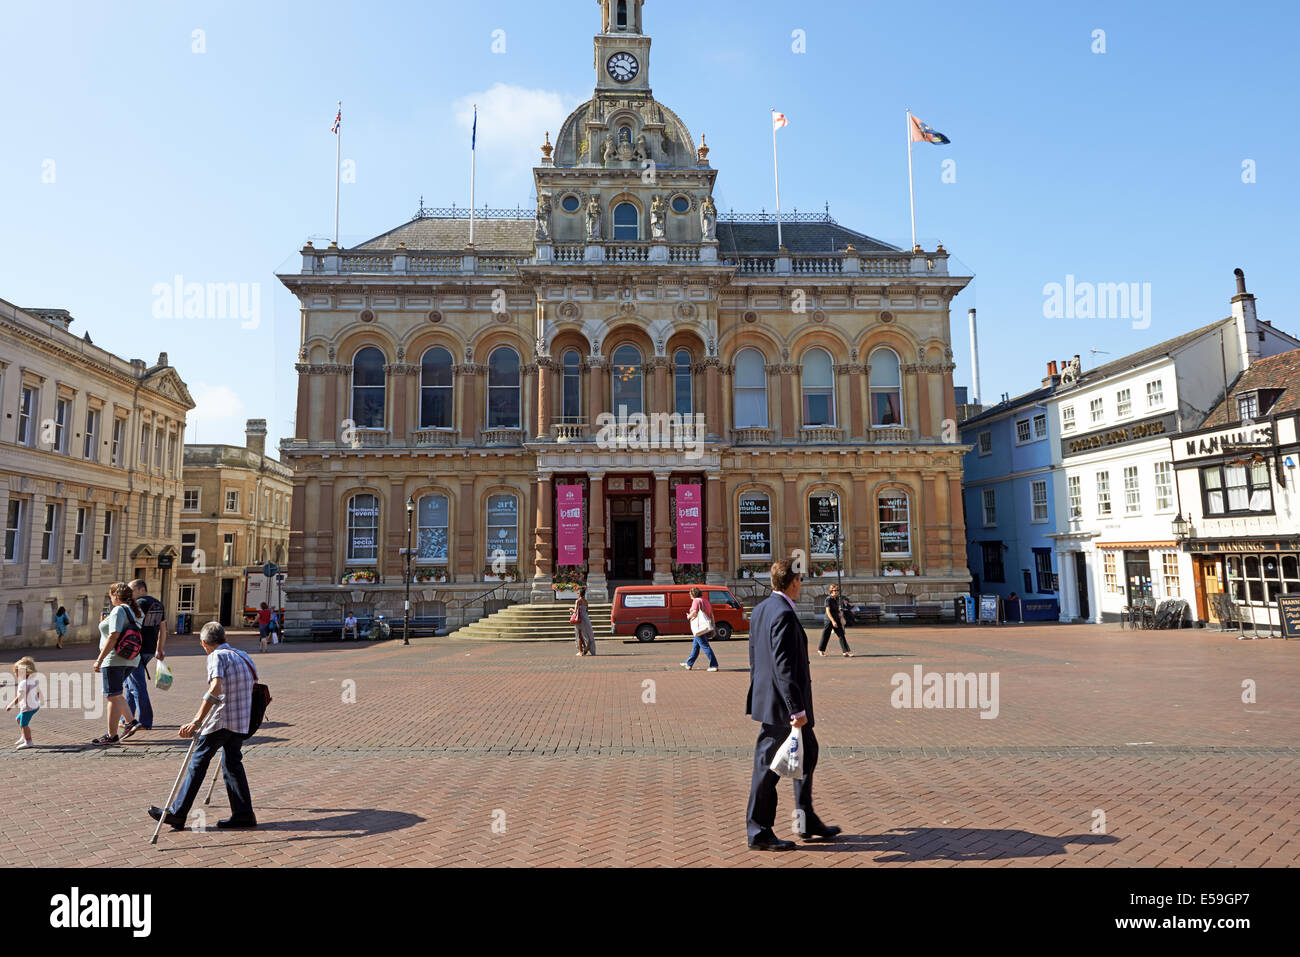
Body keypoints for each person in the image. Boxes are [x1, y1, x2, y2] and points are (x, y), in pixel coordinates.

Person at [745, 560, 841, 851]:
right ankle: (759, 832)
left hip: (770, 697)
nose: (801, 583)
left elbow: (755, 656)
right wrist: (796, 711)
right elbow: (783, 666)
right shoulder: (784, 613)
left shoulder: (762, 609)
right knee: (766, 769)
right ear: (794, 582)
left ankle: (805, 818)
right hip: (784, 706)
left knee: (807, 754)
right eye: (800, 579)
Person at [148, 621, 257, 831]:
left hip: (222, 720)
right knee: (232, 764)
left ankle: (178, 813)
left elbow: (216, 687)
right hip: (242, 718)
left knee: (197, 763)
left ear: (204, 643)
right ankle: (243, 813)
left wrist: (196, 720)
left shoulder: (216, 656)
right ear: (224, 638)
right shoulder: (243, 655)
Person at [91, 582, 143, 746]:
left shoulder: (118, 610)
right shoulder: (136, 611)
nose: (110, 599)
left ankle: (111, 735)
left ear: (115, 596)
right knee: (116, 693)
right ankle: (130, 722)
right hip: (132, 658)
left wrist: (100, 658)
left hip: (114, 658)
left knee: (111, 696)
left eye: (110, 596)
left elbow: (113, 635)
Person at [121, 579, 166, 737]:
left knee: (137, 686)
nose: (129, 594)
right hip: (149, 649)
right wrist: (159, 648)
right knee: (129, 684)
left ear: (141, 589)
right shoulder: (158, 604)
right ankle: (126, 718)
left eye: (131, 590)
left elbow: (129, 625)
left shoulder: (138, 603)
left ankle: (145, 721)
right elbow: (163, 628)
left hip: (136, 650)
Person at [5, 657, 41, 750]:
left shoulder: (23, 683)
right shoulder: (34, 680)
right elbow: (37, 692)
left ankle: (28, 742)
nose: (15, 674)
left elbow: (19, 697)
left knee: (24, 724)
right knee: (18, 719)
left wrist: (10, 705)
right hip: (35, 706)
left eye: (16, 672)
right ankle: (23, 736)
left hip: (27, 708)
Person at [681, 585, 719, 671]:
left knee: (705, 646)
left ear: (693, 594)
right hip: (706, 627)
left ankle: (714, 665)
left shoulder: (696, 601)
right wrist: (713, 626)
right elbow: (711, 615)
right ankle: (688, 663)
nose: (689, 595)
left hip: (699, 628)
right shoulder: (706, 601)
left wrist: (688, 616)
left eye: (690, 593)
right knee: (696, 646)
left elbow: (694, 612)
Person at [818, 584, 853, 658]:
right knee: (826, 635)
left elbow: (836, 609)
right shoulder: (828, 599)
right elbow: (828, 611)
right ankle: (821, 650)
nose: (836, 592)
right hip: (829, 620)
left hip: (836, 619)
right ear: (831, 591)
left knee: (841, 635)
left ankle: (845, 652)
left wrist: (839, 612)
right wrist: (833, 621)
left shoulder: (836, 599)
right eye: (835, 590)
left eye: (837, 590)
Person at [572, 588, 595, 656]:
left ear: (580, 594)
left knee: (579, 635)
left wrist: (571, 610)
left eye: (578, 593)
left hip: (579, 619)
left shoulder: (578, 601)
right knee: (585, 634)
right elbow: (587, 611)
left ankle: (580, 651)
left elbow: (575, 611)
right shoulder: (586, 601)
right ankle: (585, 647)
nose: (577, 594)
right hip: (585, 619)